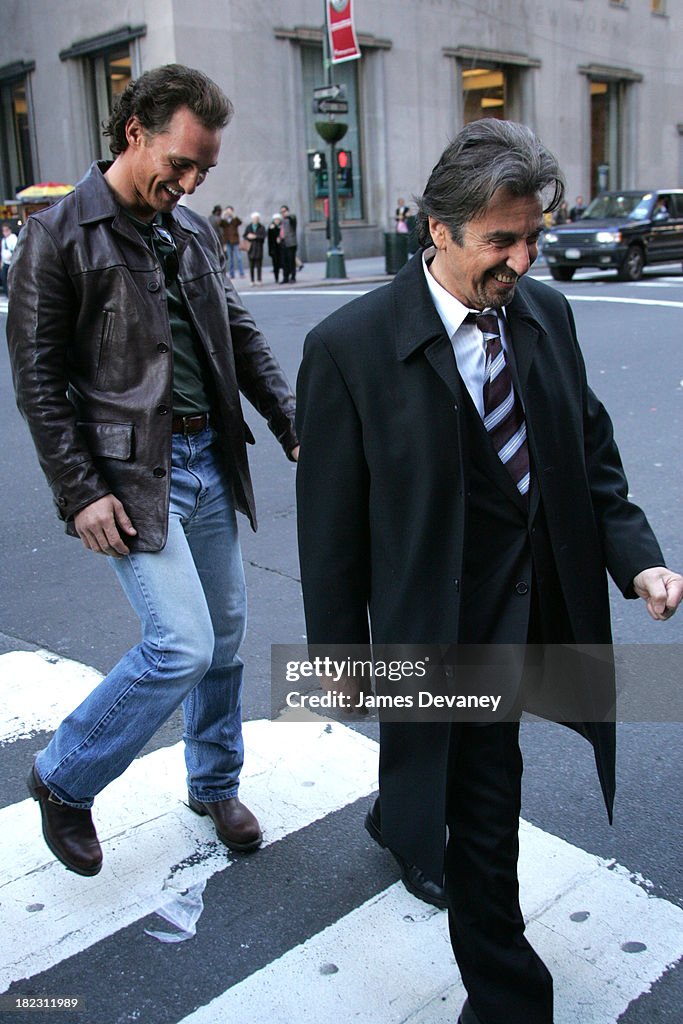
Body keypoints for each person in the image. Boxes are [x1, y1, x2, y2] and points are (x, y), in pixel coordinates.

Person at [295, 119, 682, 1024]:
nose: (521, 259)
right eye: (500, 241)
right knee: (481, 798)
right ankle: (510, 1001)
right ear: (438, 228)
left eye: (533, 237)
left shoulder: (545, 313)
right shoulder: (348, 349)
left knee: (457, 770)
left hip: (531, 601)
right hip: (436, 620)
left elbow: (590, 460)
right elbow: (329, 532)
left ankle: (401, 817)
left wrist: (642, 563)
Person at [7, 64, 299, 878]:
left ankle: (213, 783)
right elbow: (37, 381)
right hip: (134, 474)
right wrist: (80, 491)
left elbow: (238, 334)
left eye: (204, 169)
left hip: (212, 456)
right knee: (180, 646)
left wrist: (290, 420)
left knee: (227, 643)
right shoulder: (58, 235)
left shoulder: (194, 230)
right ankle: (65, 778)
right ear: (133, 131)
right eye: (181, 161)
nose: (191, 179)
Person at [243, 212, 266, 285]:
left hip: (259, 248)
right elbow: (244, 235)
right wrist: (248, 237)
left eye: (257, 218)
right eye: (254, 219)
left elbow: (263, 236)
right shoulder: (249, 227)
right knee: (251, 266)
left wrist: (255, 236)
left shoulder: (261, 227)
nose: (255, 220)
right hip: (251, 248)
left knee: (259, 265)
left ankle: (259, 279)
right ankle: (252, 280)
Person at [222, 204, 245, 278]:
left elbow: (239, 222)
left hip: (235, 241)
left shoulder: (235, 220)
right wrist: (224, 214)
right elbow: (219, 223)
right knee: (230, 259)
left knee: (239, 258)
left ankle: (241, 273)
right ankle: (232, 274)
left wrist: (233, 215)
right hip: (228, 241)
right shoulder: (224, 220)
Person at [279, 204, 298, 283]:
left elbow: (293, 220)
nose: (283, 213)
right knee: (284, 261)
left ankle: (293, 277)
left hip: (291, 243)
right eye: (281, 212)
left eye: (284, 211)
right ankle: (285, 277)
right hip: (283, 242)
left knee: (291, 261)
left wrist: (288, 216)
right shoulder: (282, 221)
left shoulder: (291, 219)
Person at [1, 222, 18, 294]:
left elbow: (16, 249)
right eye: (3, 231)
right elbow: (2, 251)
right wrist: (1, 262)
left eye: (6, 230)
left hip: (12, 262)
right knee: (4, 278)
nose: (5, 232)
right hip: (5, 262)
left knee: (12, 279)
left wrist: (11, 256)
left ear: (9, 230)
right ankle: (7, 293)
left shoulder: (13, 238)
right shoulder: (3, 240)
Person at [267, 212, 283, 283]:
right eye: (275, 220)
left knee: (283, 263)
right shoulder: (271, 228)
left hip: (281, 248)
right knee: (275, 265)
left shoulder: (281, 227)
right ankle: (276, 278)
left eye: (278, 219)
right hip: (274, 249)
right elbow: (270, 240)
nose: (277, 221)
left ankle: (285, 277)